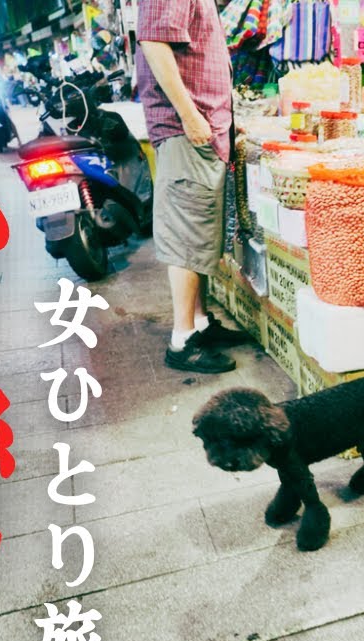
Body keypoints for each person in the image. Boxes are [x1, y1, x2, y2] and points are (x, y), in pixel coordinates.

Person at [137, 0, 247, 374]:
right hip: (189, 132)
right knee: (187, 235)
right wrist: (190, 115)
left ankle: (199, 324)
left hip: (204, 130)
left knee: (198, 231)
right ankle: (182, 342)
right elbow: (153, 42)